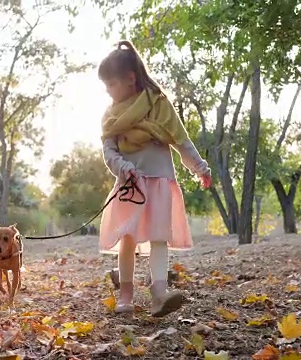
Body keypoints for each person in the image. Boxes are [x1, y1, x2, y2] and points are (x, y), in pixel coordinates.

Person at [97, 40, 212, 317]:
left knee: (159, 238)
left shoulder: (159, 105)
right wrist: (123, 166)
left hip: (159, 181)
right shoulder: (111, 115)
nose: (108, 91)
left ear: (129, 79)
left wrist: (200, 167)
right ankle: (126, 293)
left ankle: (159, 293)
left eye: (111, 84)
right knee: (128, 237)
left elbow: (181, 141)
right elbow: (108, 150)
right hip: (130, 186)